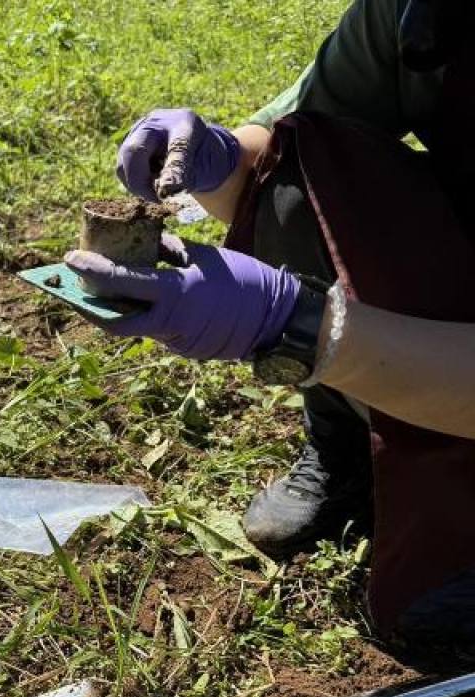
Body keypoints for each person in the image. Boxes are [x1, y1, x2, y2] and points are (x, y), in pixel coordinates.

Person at [64, 0, 475, 637]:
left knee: (436, 617)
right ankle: (351, 456)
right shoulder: (413, 13)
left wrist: (298, 326)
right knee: (303, 164)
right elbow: (283, 152)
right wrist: (220, 158)